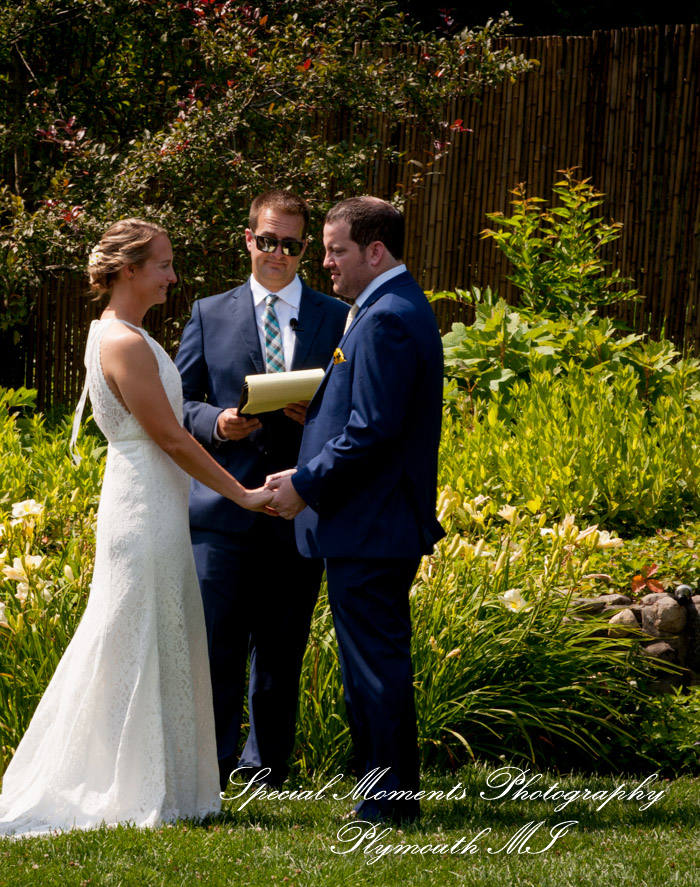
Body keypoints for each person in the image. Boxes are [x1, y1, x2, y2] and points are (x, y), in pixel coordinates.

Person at [0, 219, 272, 835]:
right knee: (134, 633)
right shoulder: (122, 341)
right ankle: (126, 783)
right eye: (163, 264)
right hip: (143, 507)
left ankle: (160, 781)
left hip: (151, 502)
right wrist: (243, 494)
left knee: (150, 631)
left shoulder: (124, 334)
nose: (174, 276)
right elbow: (170, 437)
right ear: (127, 271)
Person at [266, 196, 445, 824]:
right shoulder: (383, 307)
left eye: (336, 249)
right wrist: (315, 413)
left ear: (375, 251)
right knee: (369, 667)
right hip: (369, 523)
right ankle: (380, 796)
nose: (324, 262)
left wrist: (304, 484)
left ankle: (388, 807)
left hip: (371, 526)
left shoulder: (388, 315)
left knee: (374, 671)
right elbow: (365, 414)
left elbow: (372, 430)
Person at [175, 190, 349, 789]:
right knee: (217, 649)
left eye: (291, 244)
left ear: (304, 249)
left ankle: (269, 769)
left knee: (281, 652)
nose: (278, 253)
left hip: (296, 511)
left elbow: (352, 405)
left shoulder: (335, 316)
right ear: (248, 239)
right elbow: (179, 404)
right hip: (222, 507)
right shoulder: (208, 312)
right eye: (267, 240)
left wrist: (318, 412)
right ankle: (215, 767)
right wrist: (218, 423)